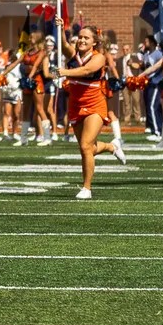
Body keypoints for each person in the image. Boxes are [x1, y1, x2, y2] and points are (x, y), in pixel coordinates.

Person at [57, 26, 113, 200]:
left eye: (86, 38)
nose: (81, 40)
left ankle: (86, 188)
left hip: (94, 103)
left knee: (85, 146)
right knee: (87, 147)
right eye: (80, 37)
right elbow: (64, 45)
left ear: (94, 42)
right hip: (75, 104)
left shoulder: (99, 57)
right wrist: (60, 29)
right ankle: (111, 146)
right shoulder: (74, 54)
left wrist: (64, 72)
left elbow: (86, 71)